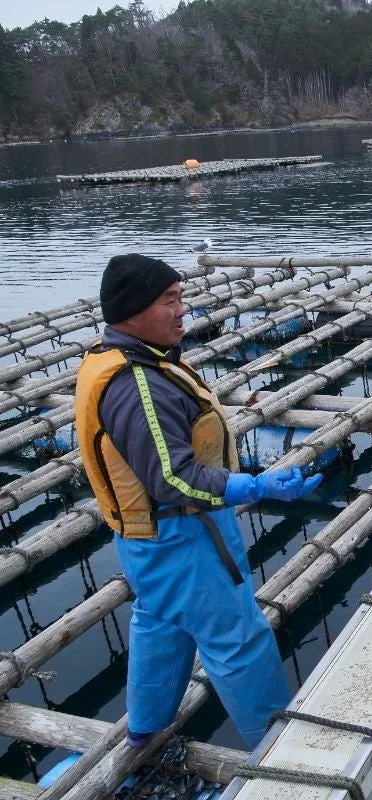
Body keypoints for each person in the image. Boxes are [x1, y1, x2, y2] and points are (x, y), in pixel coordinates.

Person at [75, 255, 323, 748]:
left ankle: (144, 729)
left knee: (161, 625)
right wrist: (258, 486)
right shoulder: (138, 383)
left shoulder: (129, 358)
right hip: (183, 540)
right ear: (132, 311)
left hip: (148, 544)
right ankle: (280, 758)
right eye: (169, 301)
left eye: (180, 299)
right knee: (239, 641)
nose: (182, 311)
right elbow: (173, 481)